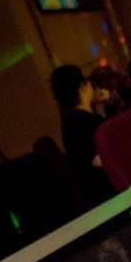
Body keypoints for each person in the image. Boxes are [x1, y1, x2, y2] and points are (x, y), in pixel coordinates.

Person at [50, 65, 112, 203]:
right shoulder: (82, 120)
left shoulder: (69, 120)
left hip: (98, 195)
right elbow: (100, 157)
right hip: (109, 191)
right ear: (81, 86)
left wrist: (100, 105)